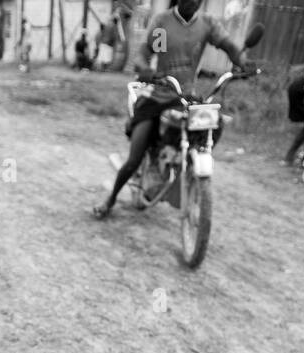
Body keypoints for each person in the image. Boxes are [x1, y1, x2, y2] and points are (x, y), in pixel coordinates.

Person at [92, 0, 249, 219]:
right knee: (135, 156)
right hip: (160, 95)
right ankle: (111, 199)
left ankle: (186, 170)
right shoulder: (164, 23)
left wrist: (242, 61)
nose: (194, 1)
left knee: (215, 122)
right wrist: (145, 69)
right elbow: (144, 55)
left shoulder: (206, 24)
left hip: (185, 97)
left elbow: (228, 46)